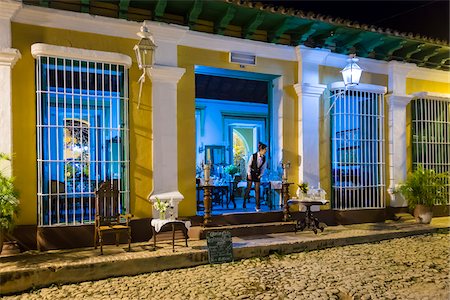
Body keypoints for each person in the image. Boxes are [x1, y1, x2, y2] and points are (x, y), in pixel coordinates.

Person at [243, 142, 267, 212]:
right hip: (251, 173)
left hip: (257, 175)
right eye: (265, 149)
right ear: (261, 149)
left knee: (257, 190)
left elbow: (263, 168)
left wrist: (261, 175)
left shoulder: (264, 158)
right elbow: (249, 165)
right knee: (248, 189)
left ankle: (257, 206)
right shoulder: (253, 156)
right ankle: (244, 202)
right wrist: (249, 174)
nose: (266, 151)